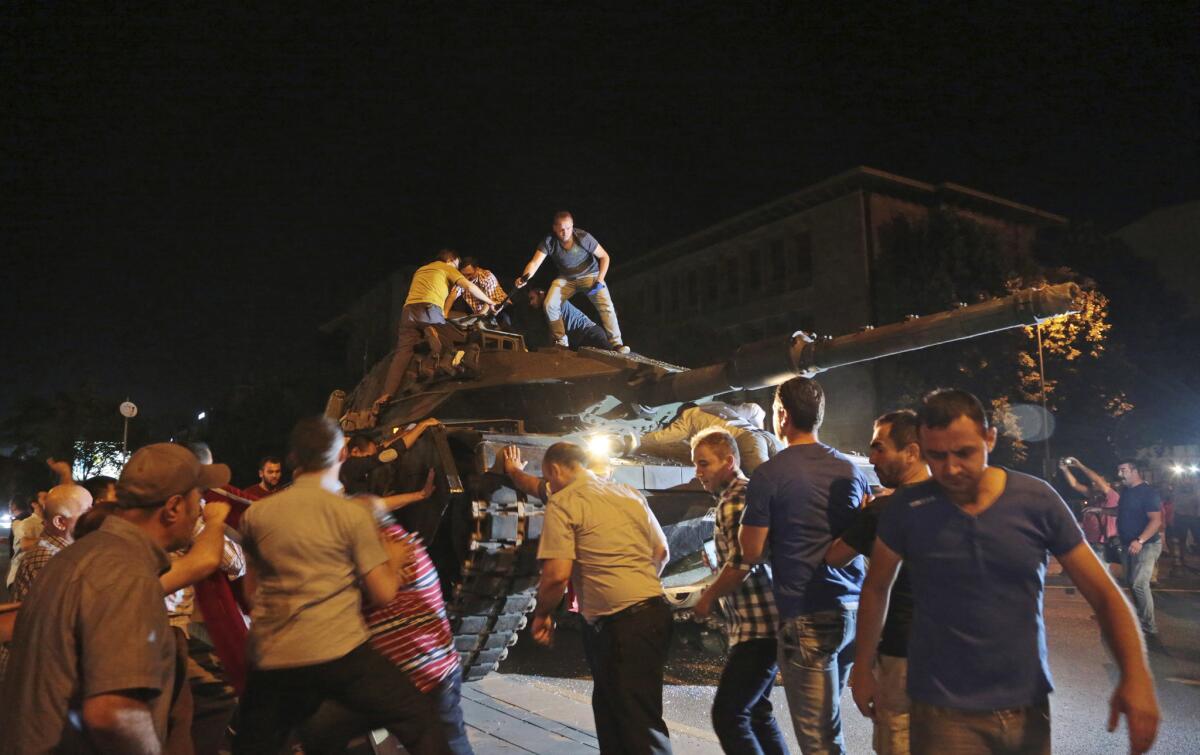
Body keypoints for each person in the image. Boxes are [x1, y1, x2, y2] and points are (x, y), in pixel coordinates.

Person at [851, 389, 1160, 755]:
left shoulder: (1035, 501)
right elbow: (875, 588)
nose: (950, 468)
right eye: (937, 455)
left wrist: (1136, 675)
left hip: (1026, 708)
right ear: (922, 448)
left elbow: (1105, 594)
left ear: (990, 438)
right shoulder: (906, 507)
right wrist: (861, 669)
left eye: (964, 452)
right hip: (941, 713)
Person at [235, 416, 448, 754]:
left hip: (274, 656)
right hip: (340, 653)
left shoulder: (257, 515)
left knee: (255, 743)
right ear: (343, 455)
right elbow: (382, 592)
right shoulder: (352, 515)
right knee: (420, 721)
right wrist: (392, 560)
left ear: (293, 460)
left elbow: (250, 595)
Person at [0, 443, 230, 754]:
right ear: (173, 507)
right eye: (197, 501)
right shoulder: (126, 573)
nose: (200, 510)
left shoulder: (85, 554)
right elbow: (113, 713)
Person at [739, 376, 869, 754]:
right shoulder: (850, 469)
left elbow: (750, 550)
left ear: (782, 415)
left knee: (820, 743)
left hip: (807, 612)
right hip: (852, 612)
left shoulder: (769, 474)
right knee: (830, 730)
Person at [528, 441, 672, 754]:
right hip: (650, 614)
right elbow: (661, 551)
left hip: (620, 625)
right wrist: (637, 585)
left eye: (548, 478)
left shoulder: (564, 502)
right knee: (619, 714)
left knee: (633, 724)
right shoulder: (627, 493)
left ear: (554, 470)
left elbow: (556, 574)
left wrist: (541, 615)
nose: (549, 485)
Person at [301, 496, 471, 753]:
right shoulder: (394, 546)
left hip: (415, 676)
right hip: (424, 673)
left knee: (321, 726)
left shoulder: (383, 551)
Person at [824, 410, 928, 755]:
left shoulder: (885, 511)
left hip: (901, 654)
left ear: (911, 452)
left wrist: (863, 670)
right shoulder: (954, 501)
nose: (872, 458)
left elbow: (835, 557)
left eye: (880, 448)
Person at [689, 429, 787, 755]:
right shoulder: (740, 497)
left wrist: (707, 597)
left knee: (729, 715)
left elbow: (744, 564)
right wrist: (719, 564)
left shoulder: (735, 501)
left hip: (759, 627)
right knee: (756, 712)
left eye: (704, 464)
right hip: (764, 624)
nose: (698, 472)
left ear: (729, 462)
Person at [379, 249, 500, 407]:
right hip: (429, 309)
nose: (457, 270)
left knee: (402, 354)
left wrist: (445, 313)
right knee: (454, 341)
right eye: (457, 266)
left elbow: (449, 297)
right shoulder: (447, 267)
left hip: (408, 313)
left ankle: (385, 395)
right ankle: (433, 340)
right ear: (451, 260)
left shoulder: (421, 270)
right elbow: (469, 287)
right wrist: (490, 302)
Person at [517, 211, 628, 352]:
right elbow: (534, 263)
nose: (565, 233)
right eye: (561, 230)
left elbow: (605, 257)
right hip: (567, 278)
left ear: (572, 225)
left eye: (568, 228)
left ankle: (616, 343)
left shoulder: (583, 237)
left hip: (590, 275)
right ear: (554, 229)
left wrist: (600, 279)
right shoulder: (549, 242)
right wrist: (523, 278)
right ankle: (561, 341)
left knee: (606, 305)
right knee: (550, 304)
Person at [639, 401, 783, 474]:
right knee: (790, 480)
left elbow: (662, 438)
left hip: (746, 442)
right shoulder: (718, 406)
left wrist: (639, 440)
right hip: (767, 437)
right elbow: (755, 410)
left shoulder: (689, 415)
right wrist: (757, 434)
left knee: (767, 486)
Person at [1115, 459, 1164, 639]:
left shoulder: (1147, 493)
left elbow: (1156, 520)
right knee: (1130, 583)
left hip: (1146, 545)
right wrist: (1100, 510)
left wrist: (1140, 540)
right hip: (1129, 544)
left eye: (1123, 470)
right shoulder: (1126, 492)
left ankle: (1149, 626)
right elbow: (1122, 512)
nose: (1120, 474)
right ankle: (1140, 618)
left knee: (1139, 584)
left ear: (1135, 471)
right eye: (1119, 470)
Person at [525, 286, 610, 349]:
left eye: (532, 298)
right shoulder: (548, 308)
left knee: (615, 359)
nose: (531, 303)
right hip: (582, 339)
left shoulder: (550, 304)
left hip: (590, 333)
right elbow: (553, 333)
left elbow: (556, 335)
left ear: (541, 293)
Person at [446, 257, 507, 322]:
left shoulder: (487, 276)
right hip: (479, 312)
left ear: (477, 269)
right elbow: (452, 295)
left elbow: (490, 301)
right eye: (463, 275)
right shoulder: (461, 279)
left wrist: (477, 319)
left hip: (501, 309)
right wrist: (444, 314)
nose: (466, 278)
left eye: (469, 274)